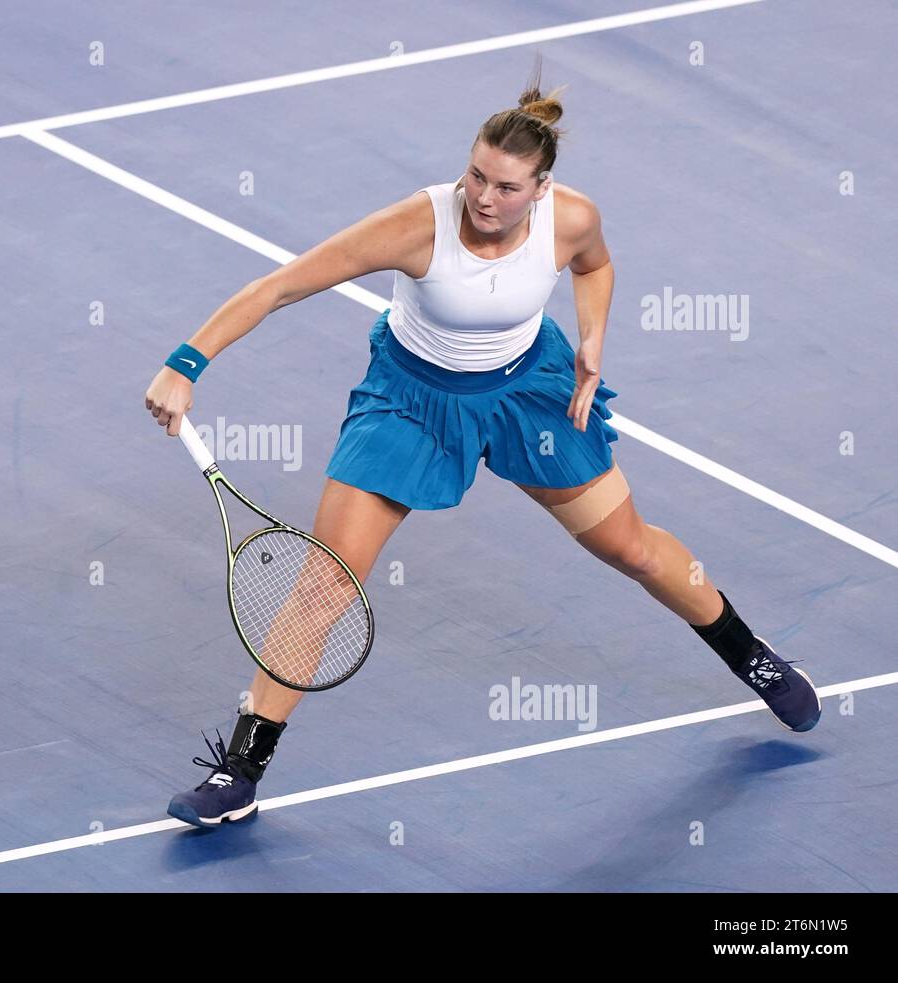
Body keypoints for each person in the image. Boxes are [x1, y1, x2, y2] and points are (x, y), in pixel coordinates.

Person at [144, 64, 821, 829]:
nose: (484, 198)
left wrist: (594, 336)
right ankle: (242, 770)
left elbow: (595, 266)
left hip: (530, 391)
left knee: (630, 549)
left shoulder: (571, 219)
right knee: (324, 583)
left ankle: (750, 652)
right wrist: (186, 362)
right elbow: (282, 285)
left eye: (505, 187)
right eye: (475, 177)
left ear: (540, 189)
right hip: (410, 402)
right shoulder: (415, 225)